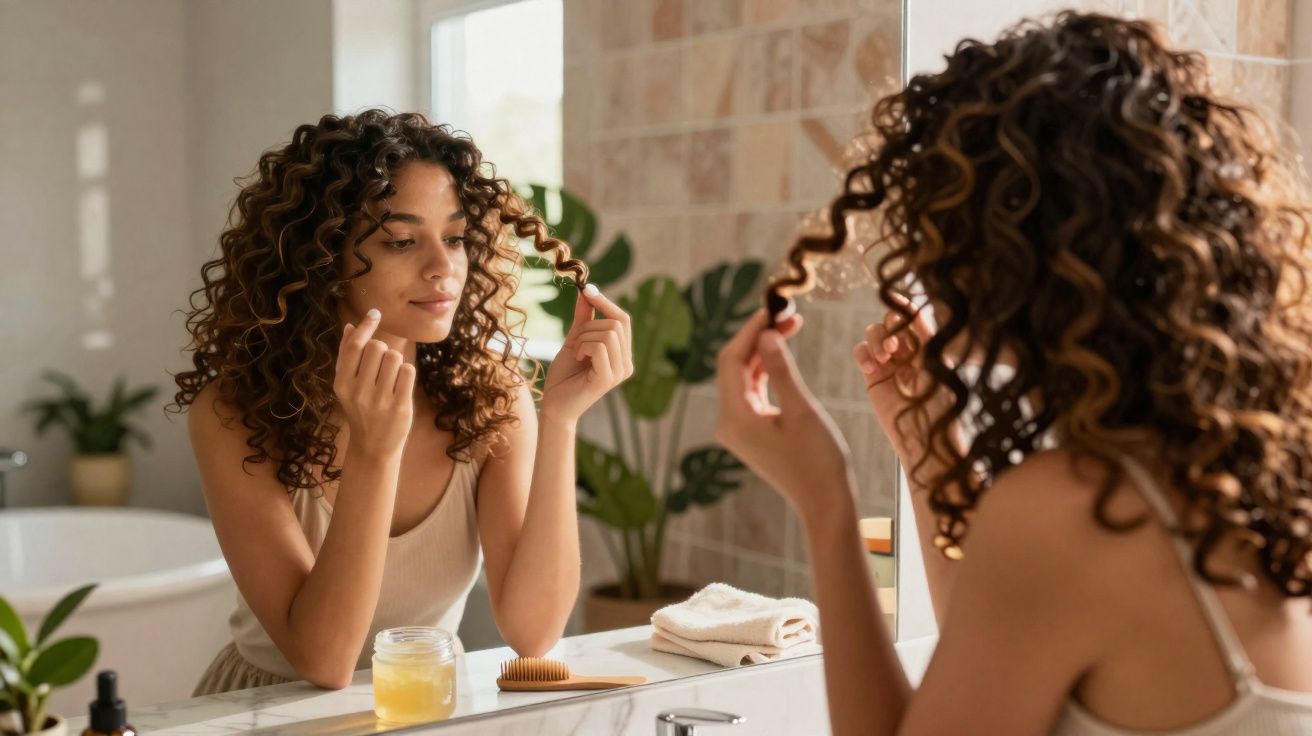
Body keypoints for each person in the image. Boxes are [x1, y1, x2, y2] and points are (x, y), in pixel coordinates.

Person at [717, 12, 1312, 735]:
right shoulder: (1244, 472)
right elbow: (1003, 659)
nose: (924, 258)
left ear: (1015, 249)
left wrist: (826, 500)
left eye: (941, 222)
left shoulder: (1078, 509)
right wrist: (930, 447)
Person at [172, 110, 632, 693]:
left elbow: (533, 632)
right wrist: (374, 451)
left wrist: (561, 420)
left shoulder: (488, 397)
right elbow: (324, 661)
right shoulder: (235, 414)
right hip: (269, 711)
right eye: (401, 241)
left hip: (423, 703)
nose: (444, 268)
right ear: (322, 259)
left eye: (455, 238)